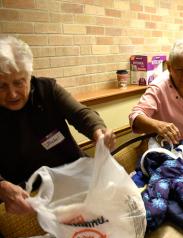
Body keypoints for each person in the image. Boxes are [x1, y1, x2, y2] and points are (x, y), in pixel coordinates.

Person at [0, 36, 115, 215]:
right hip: (26, 195)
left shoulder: (47, 90)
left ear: (29, 77)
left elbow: (81, 114)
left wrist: (99, 133)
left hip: (72, 175)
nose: (12, 93)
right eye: (2, 86)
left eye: (18, 82)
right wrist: (2, 185)